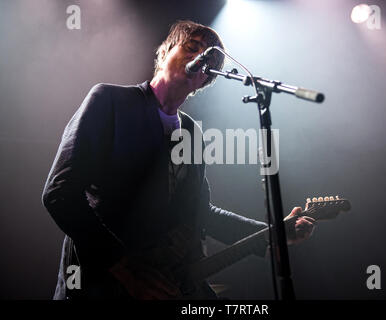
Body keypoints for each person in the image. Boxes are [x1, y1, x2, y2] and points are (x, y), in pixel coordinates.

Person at [42, 20, 316, 300]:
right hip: (101, 282)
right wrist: (126, 270)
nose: (200, 58)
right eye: (192, 48)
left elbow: (200, 212)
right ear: (165, 53)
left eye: (209, 58)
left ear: (206, 80)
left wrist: (274, 234)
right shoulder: (111, 100)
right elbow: (59, 192)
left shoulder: (191, 133)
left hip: (166, 281)